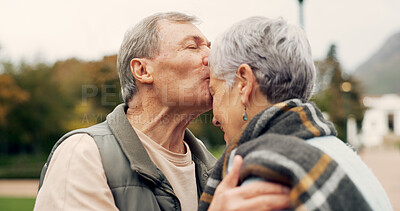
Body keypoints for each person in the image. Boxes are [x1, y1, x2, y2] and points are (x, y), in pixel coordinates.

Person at [34, 12, 290, 211]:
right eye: (193, 47)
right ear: (143, 71)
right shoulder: (84, 154)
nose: (212, 58)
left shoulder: (218, 168)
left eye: (210, 47)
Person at [199, 16, 393, 211]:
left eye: (214, 92)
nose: (214, 118)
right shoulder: (341, 152)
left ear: (244, 83)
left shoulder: (267, 176)